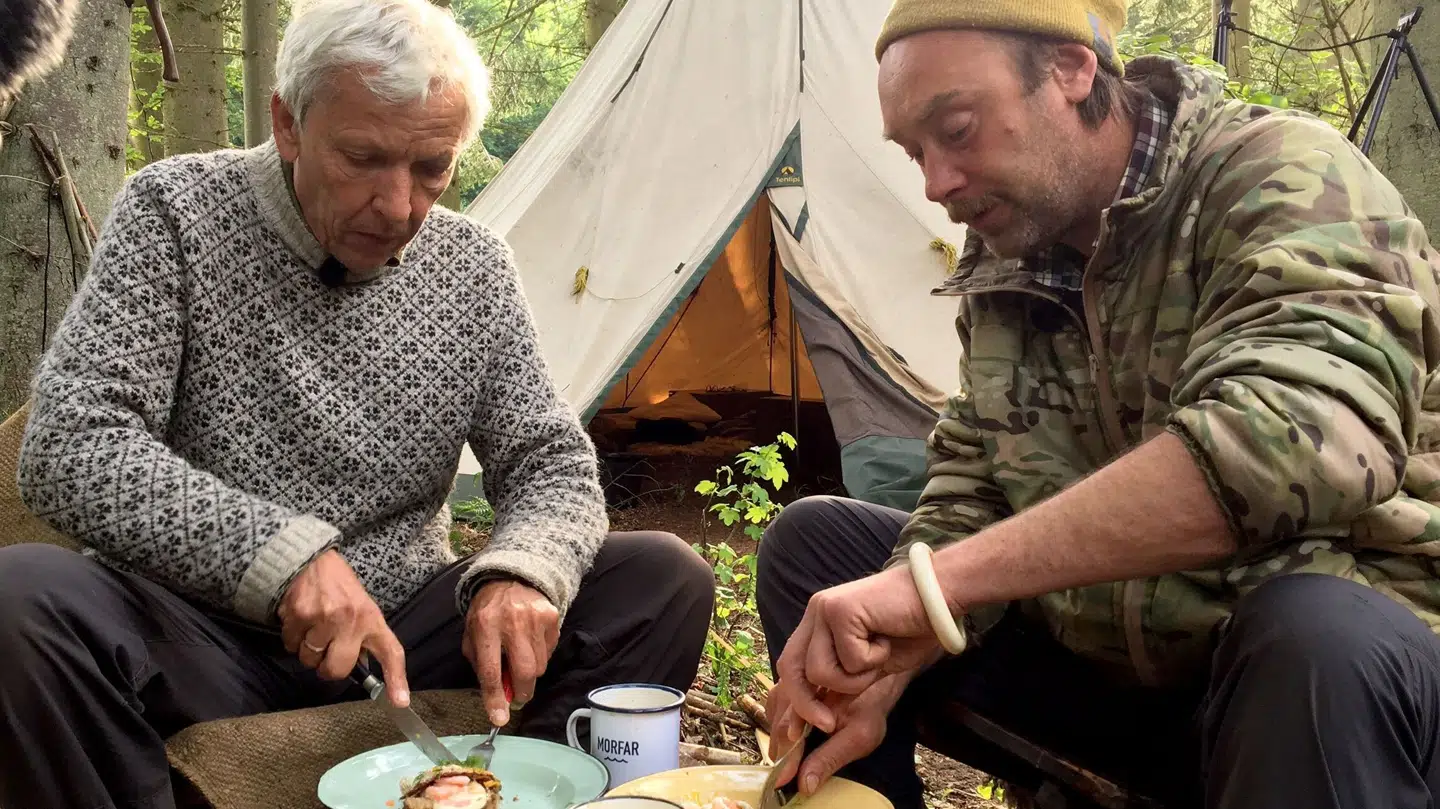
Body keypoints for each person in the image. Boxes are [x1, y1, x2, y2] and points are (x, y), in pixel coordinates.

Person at [0, 1, 713, 807]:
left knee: (662, 577)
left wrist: (524, 571)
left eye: (432, 168)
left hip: (399, 638)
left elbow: (549, 460)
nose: (400, 206)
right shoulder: (174, 212)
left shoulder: (473, 266)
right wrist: (280, 557)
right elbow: (69, 444)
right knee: (19, 598)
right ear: (288, 122)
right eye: (365, 158)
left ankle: (512, 790)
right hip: (199, 634)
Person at [756, 1, 1440, 808]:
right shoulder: (1012, 253)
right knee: (823, 557)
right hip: (1122, 675)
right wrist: (901, 645)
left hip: (1320, 692)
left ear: (1072, 70)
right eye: (915, 153)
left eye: (960, 128)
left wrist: (936, 585)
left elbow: (1292, 447)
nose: (937, 183)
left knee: (1317, 637)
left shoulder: (1281, 177)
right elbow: (974, 476)